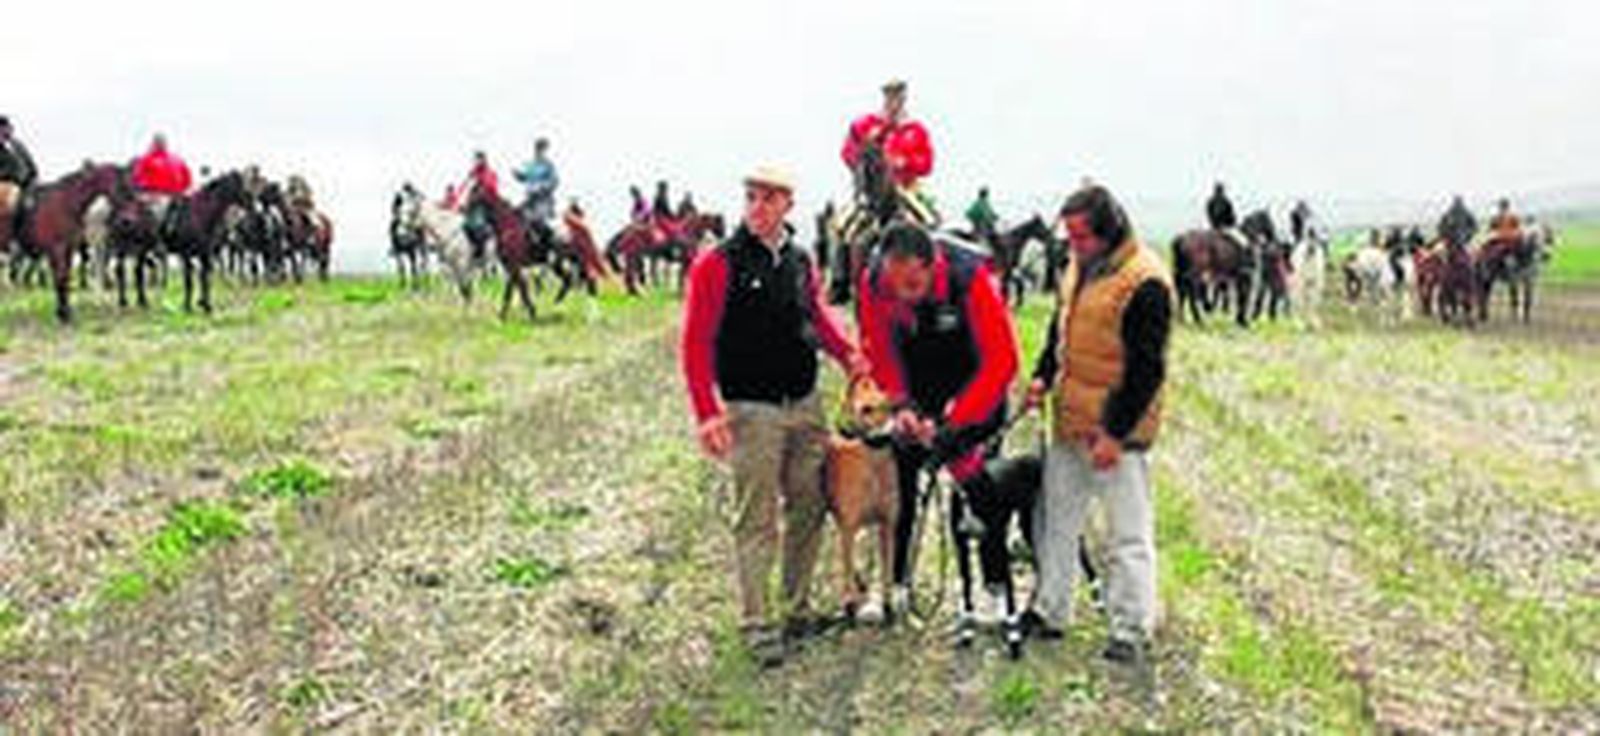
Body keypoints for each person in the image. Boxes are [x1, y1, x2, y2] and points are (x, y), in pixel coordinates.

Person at [680, 165, 867, 668]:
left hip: (805, 403)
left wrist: (848, 354)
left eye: (768, 198)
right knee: (756, 516)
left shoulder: (800, 259)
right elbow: (695, 341)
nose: (757, 206)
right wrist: (707, 412)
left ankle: (797, 607)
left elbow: (817, 316)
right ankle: (757, 621)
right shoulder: (718, 263)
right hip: (751, 408)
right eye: (751, 197)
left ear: (788, 204)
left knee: (809, 505)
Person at [1023, 184, 1174, 665]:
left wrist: (1115, 433)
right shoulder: (1076, 268)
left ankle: (1131, 627)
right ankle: (1051, 610)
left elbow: (1147, 370)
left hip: (1117, 431)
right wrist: (1042, 376)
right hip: (1070, 419)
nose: (1073, 246)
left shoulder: (1145, 282)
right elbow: (1060, 329)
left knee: (1126, 533)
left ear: (1108, 232)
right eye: (1068, 237)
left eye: (1081, 237)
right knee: (1056, 520)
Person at [857, 222, 1020, 622]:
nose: (902, 294)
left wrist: (954, 421)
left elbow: (1003, 361)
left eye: (913, 284)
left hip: (973, 386)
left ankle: (993, 587)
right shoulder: (874, 281)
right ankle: (895, 584)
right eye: (895, 285)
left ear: (932, 265)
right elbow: (878, 346)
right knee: (901, 484)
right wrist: (901, 404)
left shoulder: (970, 278)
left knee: (978, 490)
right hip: (917, 385)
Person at [841, 79, 936, 224]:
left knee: (928, 220)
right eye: (891, 96)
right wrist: (864, 152)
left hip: (906, 188)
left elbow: (927, 164)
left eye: (898, 97)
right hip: (868, 192)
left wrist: (905, 162)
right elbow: (847, 152)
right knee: (843, 224)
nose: (894, 102)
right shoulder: (866, 124)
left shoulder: (915, 129)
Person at [130, 134, 193, 223]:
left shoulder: (176, 159)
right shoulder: (146, 159)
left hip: (175, 196)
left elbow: (187, 177)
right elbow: (137, 178)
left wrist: (184, 191)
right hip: (155, 196)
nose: (160, 144)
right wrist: (148, 192)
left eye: (162, 142)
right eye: (158, 142)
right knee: (159, 214)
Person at [0, 116, 38, 249]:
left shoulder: (17, 144)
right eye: (4, 129)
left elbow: (29, 160)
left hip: (27, 182)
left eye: (8, 128)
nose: (7, 131)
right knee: (15, 203)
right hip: (6, 184)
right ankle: (12, 238)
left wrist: (34, 174)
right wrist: (10, 176)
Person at [512, 138, 559, 223]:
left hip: (543, 199)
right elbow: (526, 177)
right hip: (531, 198)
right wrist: (518, 175)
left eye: (540, 150)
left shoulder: (548, 165)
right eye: (537, 149)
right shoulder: (532, 165)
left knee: (536, 219)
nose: (538, 152)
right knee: (517, 215)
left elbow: (554, 181)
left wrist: (543, 187)